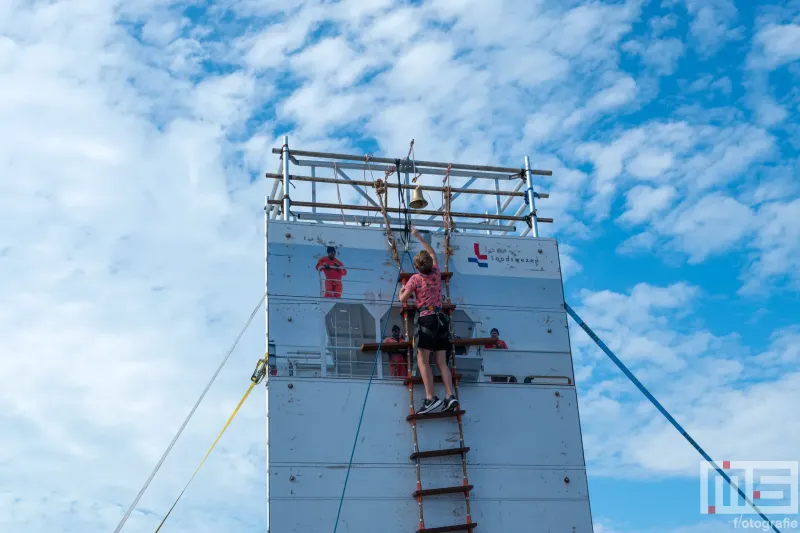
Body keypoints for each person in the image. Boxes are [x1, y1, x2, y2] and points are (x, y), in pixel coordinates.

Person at [399, 227, 459, 414]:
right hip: (442, 319)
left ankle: (430, 398)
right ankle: (450, 396)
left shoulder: (415, 280)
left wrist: (403, 289)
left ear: (417, 267)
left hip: (427, 321)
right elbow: (432, 252)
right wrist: (418, 236)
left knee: (423, 360)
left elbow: (402, 299)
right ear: (430, 263)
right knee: (441, 361)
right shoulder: (436, 272)